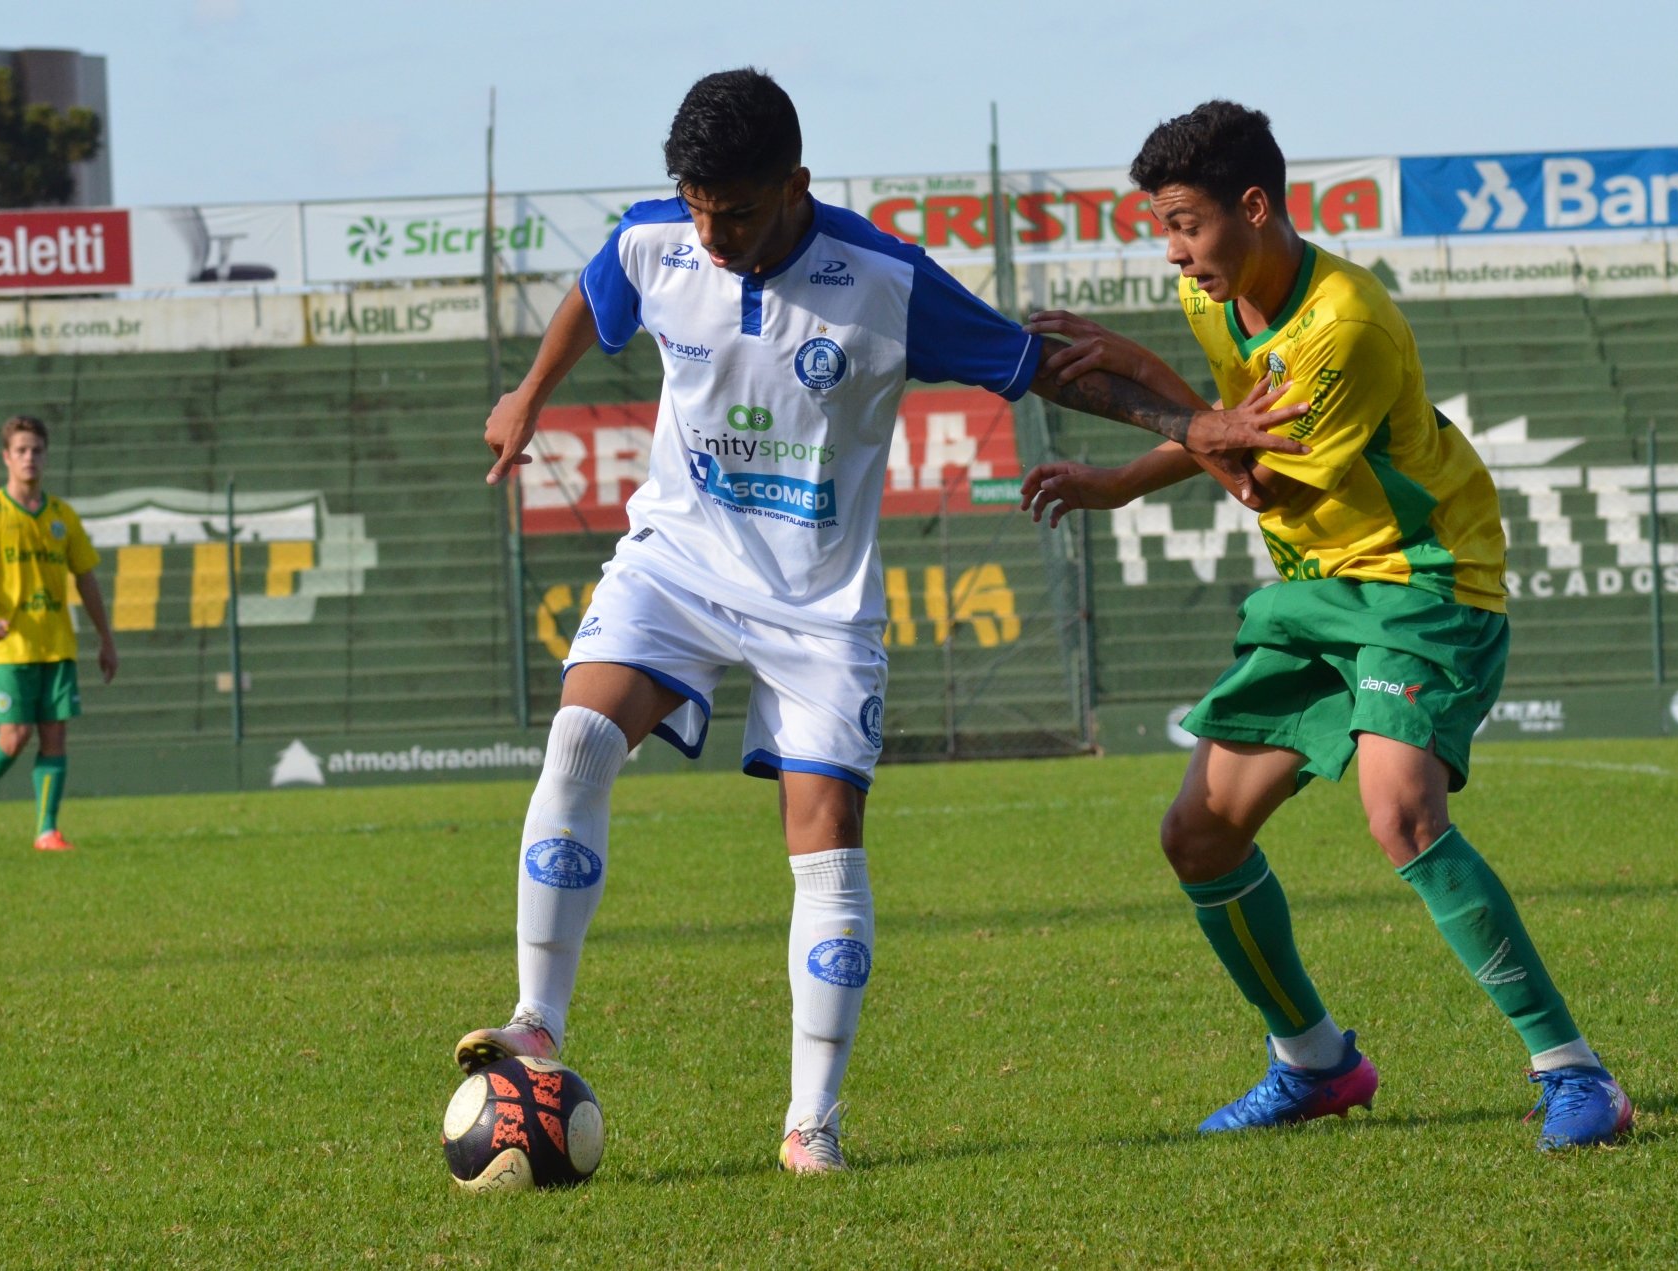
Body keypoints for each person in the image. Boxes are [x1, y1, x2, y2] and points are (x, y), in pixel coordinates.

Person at [460, 69, 1308, 1173]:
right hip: (677, 561)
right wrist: (530, 391)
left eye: (742, 213)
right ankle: (536, 1021)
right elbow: (594, 288)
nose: (715, 236)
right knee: (577, 738)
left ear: (797, 186)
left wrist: (1188, 423)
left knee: (825, 853)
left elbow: (1038, 363)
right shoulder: (655, 239)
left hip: (818, 606)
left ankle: (812, 1121)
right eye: (701, 209)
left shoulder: (882, 277)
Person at [1019, 101, 1633, 1150]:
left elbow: (1266, 483)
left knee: (1401, 812)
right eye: (1162, 228)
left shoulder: (1342, 322)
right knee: (1199, 835)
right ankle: (1314, 1062)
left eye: (1185, 225)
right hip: (1314, 596)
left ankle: (1576, 1073)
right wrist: (1123, 478)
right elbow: (1233, 426)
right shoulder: (1222, 299)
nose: (1174, 252)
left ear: (1253, 207)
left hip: (1422, 583)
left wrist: (1157, 390)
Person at [0, 414, 118, 853]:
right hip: (7, 647)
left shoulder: (62, 516)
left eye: (37, 450)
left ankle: (46, 831)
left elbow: (87, 578)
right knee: (15, 735)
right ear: (6, 457)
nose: (30, 457)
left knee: (55, 735)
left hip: (56, 643)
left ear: (47, 455)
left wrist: (106, 639)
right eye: (21, 450)